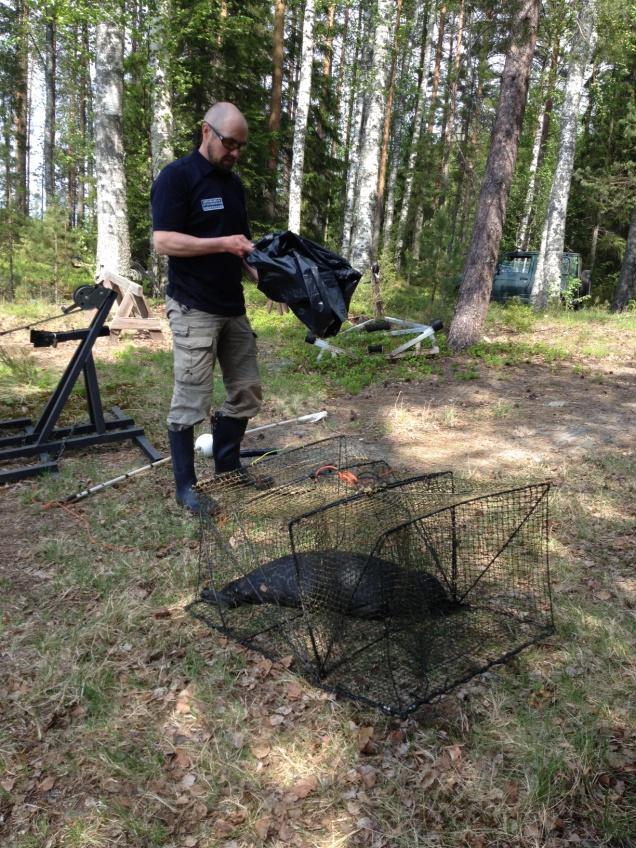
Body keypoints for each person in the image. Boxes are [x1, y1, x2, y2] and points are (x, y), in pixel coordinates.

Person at [151, 102, 262, 514]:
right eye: (229, 143)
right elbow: (164, 241)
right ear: (206, 132)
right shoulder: (176, 177)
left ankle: (229, 468)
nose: (234, 152)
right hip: (192, 305)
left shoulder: (233, 186)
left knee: (247, 390)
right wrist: (222, 244)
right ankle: (186, 488)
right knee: (191, 400)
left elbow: (244, 247)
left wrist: (264, 279)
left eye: (240, 147)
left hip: (231, 305)